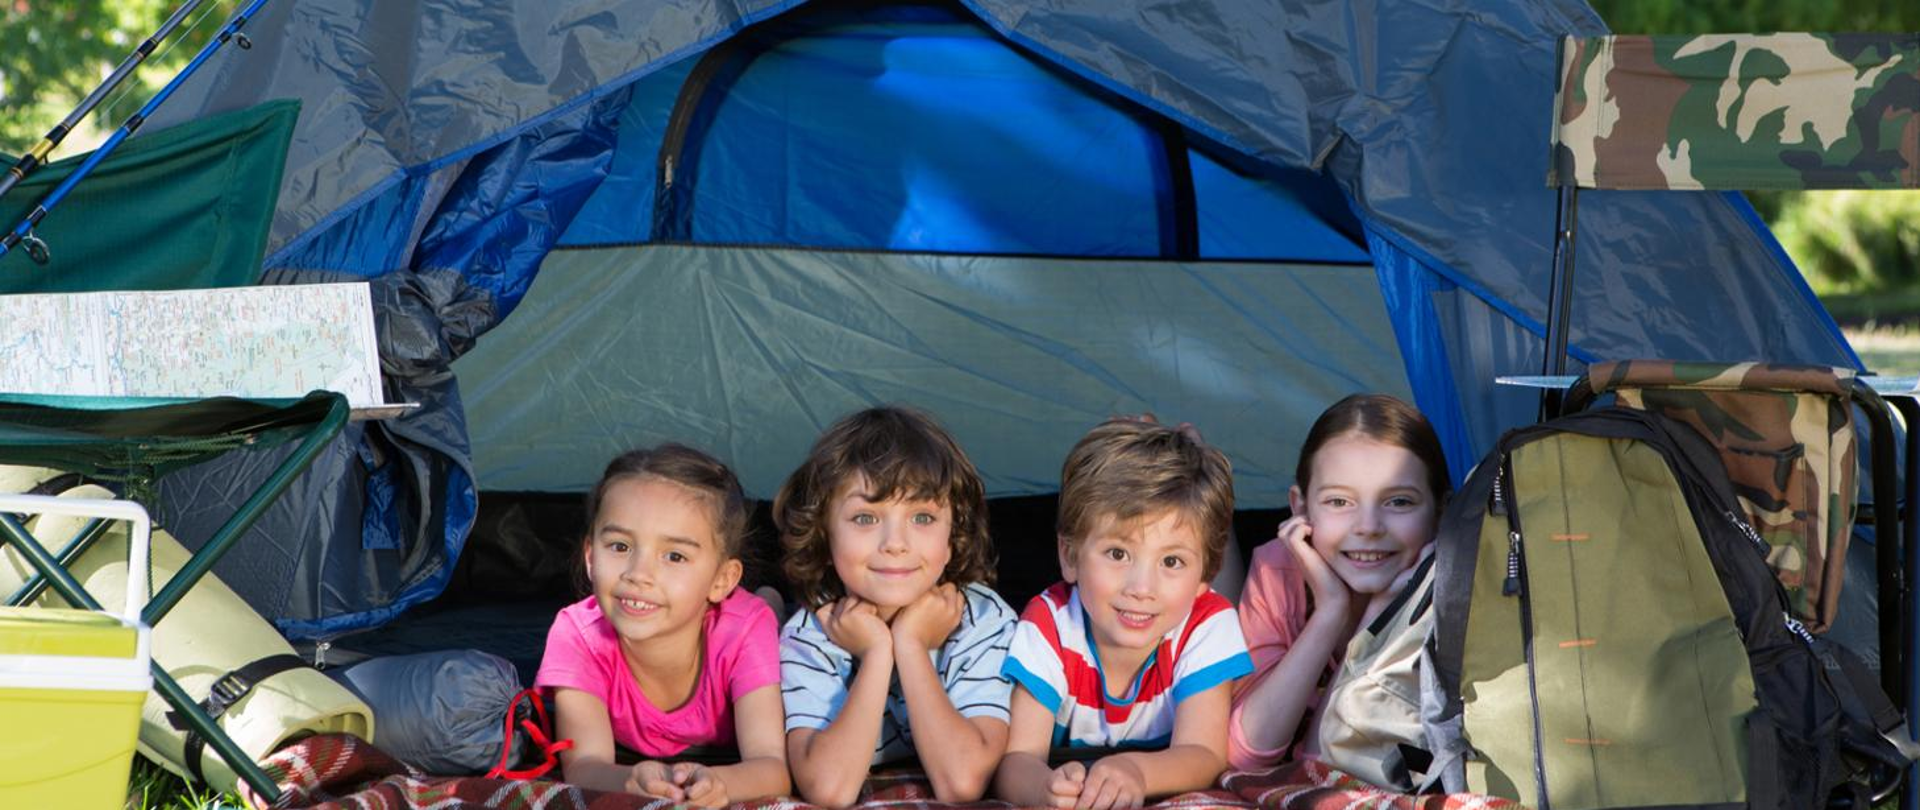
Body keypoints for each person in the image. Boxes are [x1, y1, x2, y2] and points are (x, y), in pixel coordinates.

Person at [995, 417, 1254, 809]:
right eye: (1118, 554)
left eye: (1171, 561)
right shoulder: (1049, 623)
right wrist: (1045, 791)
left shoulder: (1208, 624)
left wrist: (1137, 772)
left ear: (1207, 575)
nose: (1141, 588)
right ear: (1069, 556)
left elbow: (1203, 752)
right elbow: (1016, 760)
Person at [777, 406, 1017, 807]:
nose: (896, 543)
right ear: (824, 532)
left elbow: (962, 783)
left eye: (922, 517)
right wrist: (876, 654)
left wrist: (909, 644)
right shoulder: (810, 632)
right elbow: (829, 790)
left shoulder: (983, 620)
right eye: (866, 518)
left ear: (954, 533)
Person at [535, 445, 789, 806]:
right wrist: (629, 780)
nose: (638, 574)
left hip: (747, 618)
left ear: (721, 579)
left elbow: (772, 768)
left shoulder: (746, 631)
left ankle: (771, 598)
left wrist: (720, 783)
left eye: (674, 556)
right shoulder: (577, 634)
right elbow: (584, 767)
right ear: (591, 558)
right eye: (620, 546)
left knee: (768, 616)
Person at [1227, 393, 1450, 771]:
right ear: (1300, 508)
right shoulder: (1277, 569)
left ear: (1440, 511)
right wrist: (1329, 612)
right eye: (1338, 502)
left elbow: (1325, 763)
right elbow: (1247, 754)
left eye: (1398, 502)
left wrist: (1379, 618)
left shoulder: (1452, 587)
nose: (1367, 527)